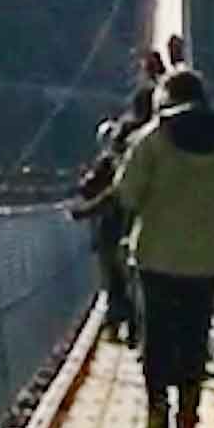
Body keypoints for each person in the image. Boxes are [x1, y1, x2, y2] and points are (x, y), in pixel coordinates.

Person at [114, 63, 214, 428]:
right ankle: (188, 422)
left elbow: (127, 193)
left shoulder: (152, 139)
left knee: (156, 335)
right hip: (207, 258)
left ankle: (157, 412)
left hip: (156, 255)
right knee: (194, 337)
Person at [68, 113, 138, 346]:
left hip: (111, 230)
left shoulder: (108, 163)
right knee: (132, 281)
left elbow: (90, 190)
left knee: (114, 282)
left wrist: (82, 204)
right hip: (137, 227)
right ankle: (135, 328)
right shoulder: (140, 162)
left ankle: (116, 325)